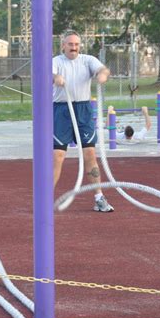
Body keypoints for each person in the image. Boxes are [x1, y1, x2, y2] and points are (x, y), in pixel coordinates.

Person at [52, 30, 114, 213]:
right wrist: (56, 78)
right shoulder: (56, 61)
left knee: (90, 154)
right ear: (63, 45)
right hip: (61, 110)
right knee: (57, 156)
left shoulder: (87, 60)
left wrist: (102, 75)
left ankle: (99, 197)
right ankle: (45, 199)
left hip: (83, 110)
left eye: (76, 44)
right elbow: (49, 74)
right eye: (70, 44)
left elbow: (102, 69)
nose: (74, 47)